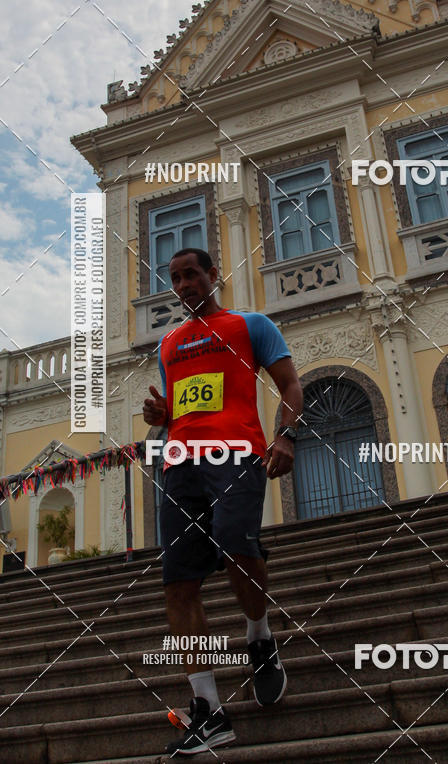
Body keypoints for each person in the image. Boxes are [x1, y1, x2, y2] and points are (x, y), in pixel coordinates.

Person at [143, 247, 303, 755]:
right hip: (179, 465)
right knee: (177, 586)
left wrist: (285, 436)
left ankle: (259, 636)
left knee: (237, 543)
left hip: (237, 455)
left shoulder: (250, 325)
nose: (185, 284)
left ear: (214, 275)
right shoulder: (169, 343)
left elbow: (290, 384)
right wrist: (160, 414)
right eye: (176, 278)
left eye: (193, 274)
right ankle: (208, 710)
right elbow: (178, 408)